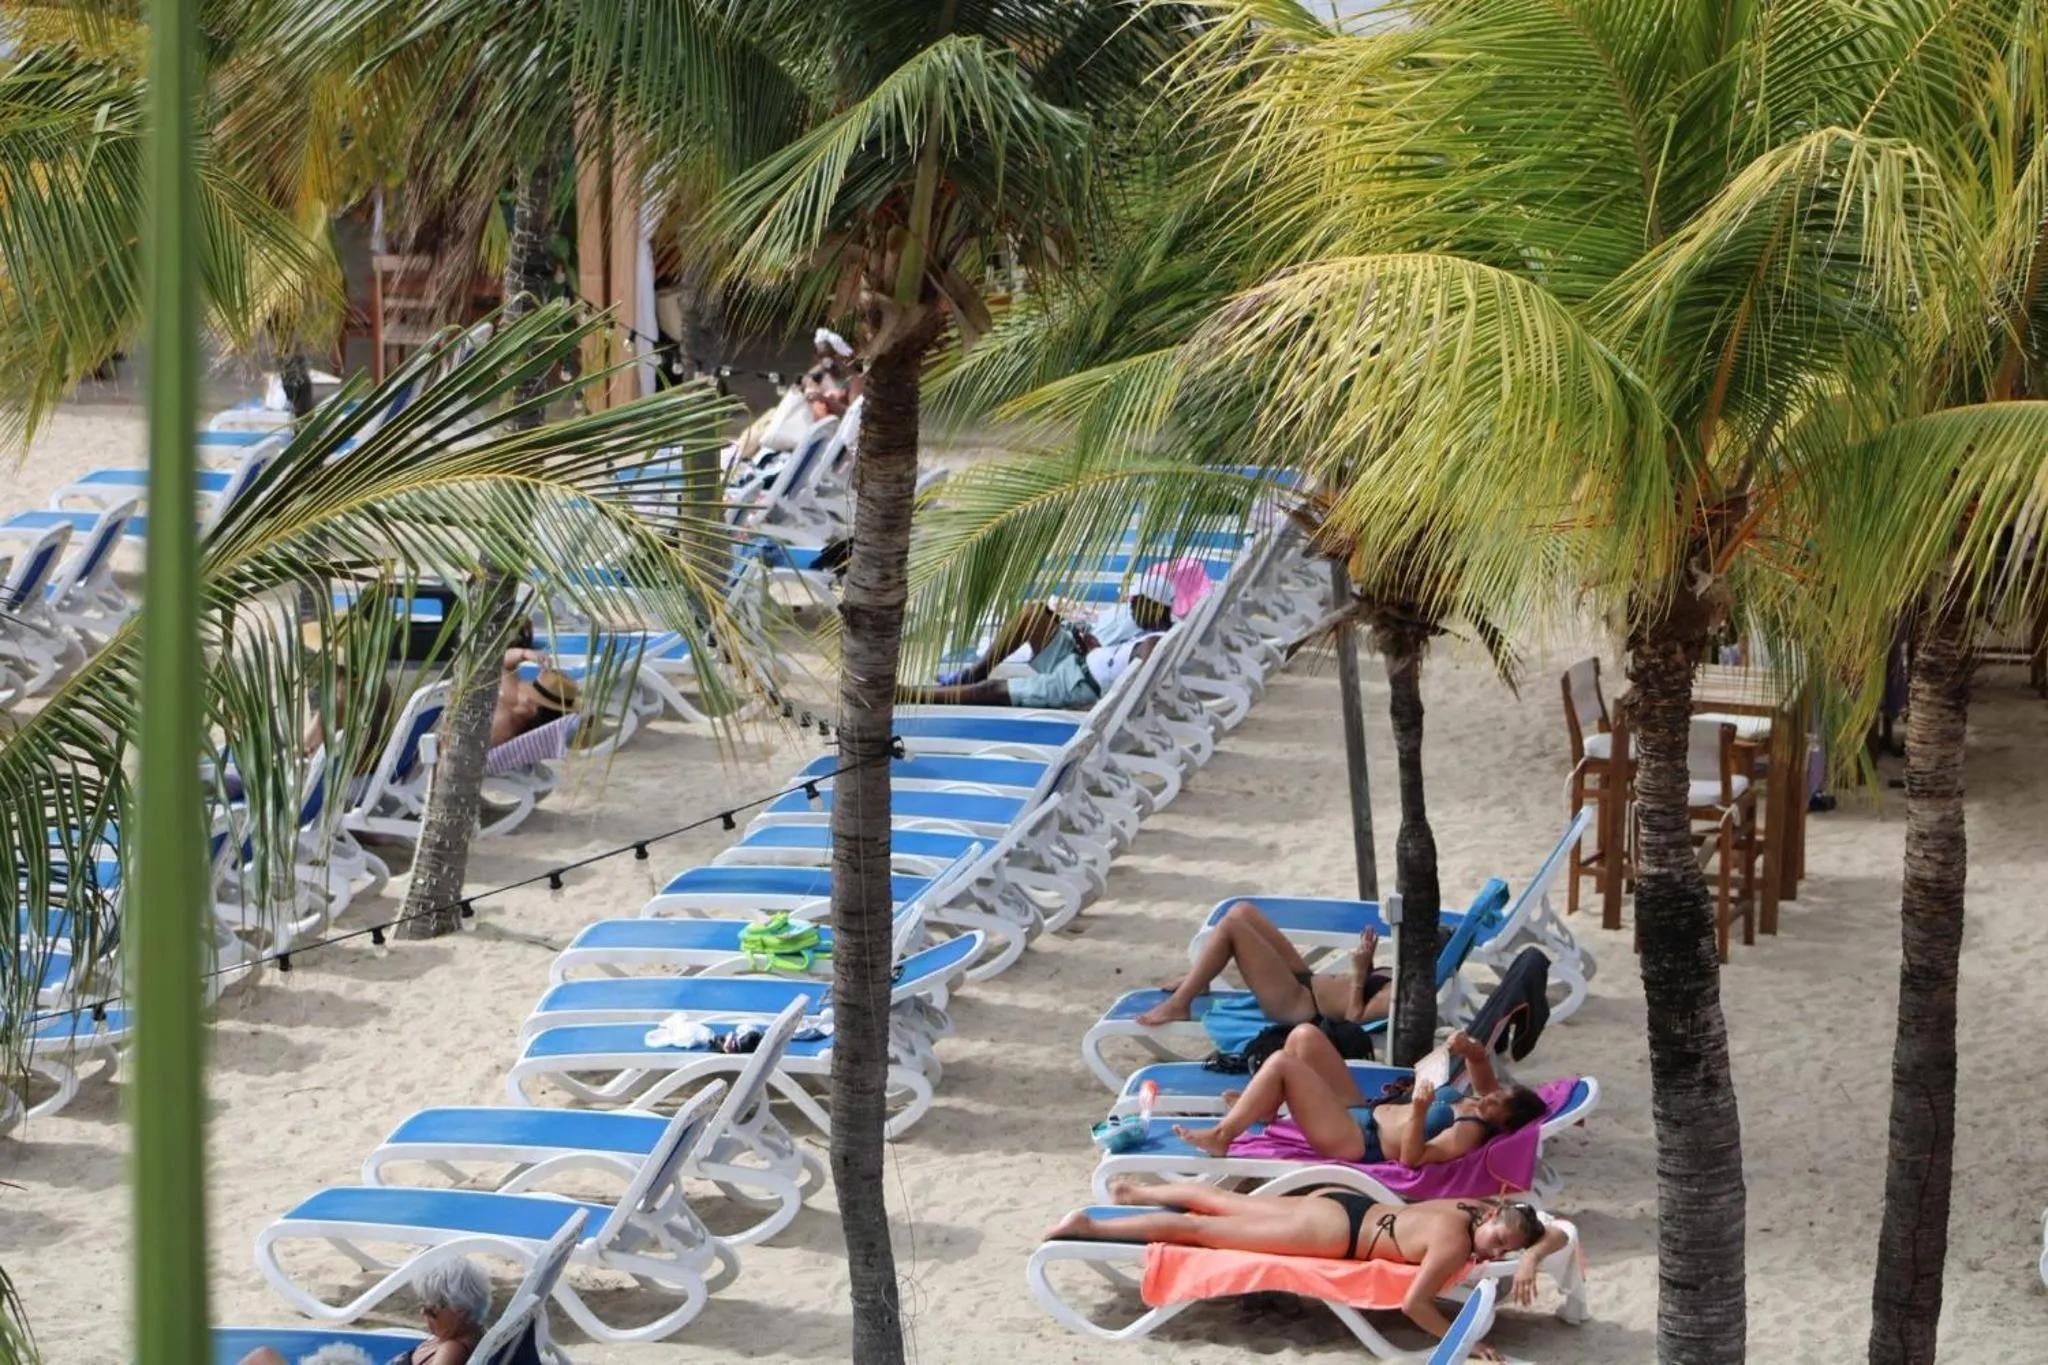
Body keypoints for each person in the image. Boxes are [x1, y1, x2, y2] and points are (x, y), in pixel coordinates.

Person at [1047, 1183, 1563, 1359]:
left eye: (1504, 1250)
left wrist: (1532, 1253)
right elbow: (1414, 1304)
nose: (1492, 1253)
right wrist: (1465, 1340)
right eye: (1497, 1242)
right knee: (1203, 1232)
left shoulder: (1474, 1209)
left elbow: (1556, 1230)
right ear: (1493, 1220)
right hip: (1333, 1235)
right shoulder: (1454, 1245)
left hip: (1342, 1205)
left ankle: (1136, 1192)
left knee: (1224, 1204)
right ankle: (1091, 1226)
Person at [1175, 1026, 1548, 1165]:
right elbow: (1480, 1061)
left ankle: (1223, 1135)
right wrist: (1465, 1046)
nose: (1491, 1098)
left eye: (1500, 1103)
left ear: (1505, 1124)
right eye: (1499, 1094)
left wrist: (1419, 1111)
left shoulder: (1468, 1130)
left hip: (1359, 1141)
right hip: (1362, 1112)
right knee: (1305, 1037)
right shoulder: (1484, 1102)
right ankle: (1266, 1108)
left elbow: (1414, 1158)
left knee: (1282, 1064)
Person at [899, 589, 1174, 710]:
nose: (1130, 604)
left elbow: (1145, 660)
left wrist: (1100, 693)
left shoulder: (1154, 641)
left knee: (992, 691)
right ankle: (975, 671)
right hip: (1080, 661)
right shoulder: (1150, 630)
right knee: (1033, 615)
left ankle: (911, 696)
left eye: (1137, 601)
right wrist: (1095, 650)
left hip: (1078, 684)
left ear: (1156, 608)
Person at [1136, 901, 1390, 1027]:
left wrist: (1359, 974)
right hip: (1307, 981)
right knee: (1241, 911)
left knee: (1230, 928)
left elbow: (1355, 1019)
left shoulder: (1399, 995)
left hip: (1302, 1007)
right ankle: (1199, 979)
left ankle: (1179, 1003)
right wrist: (1366, 963)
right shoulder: (1403, 973)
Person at [236, 1256, 492, 1365]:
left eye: (431, 1309)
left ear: (460, 1311)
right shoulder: (467, 1333)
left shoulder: (452, 1348)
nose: (423, 1315)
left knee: (263, 1357)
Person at [491, 646, 579, 747]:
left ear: (532, 705)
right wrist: (524, 653)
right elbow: (506, 664)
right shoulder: (514, 699)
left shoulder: (503, 725)